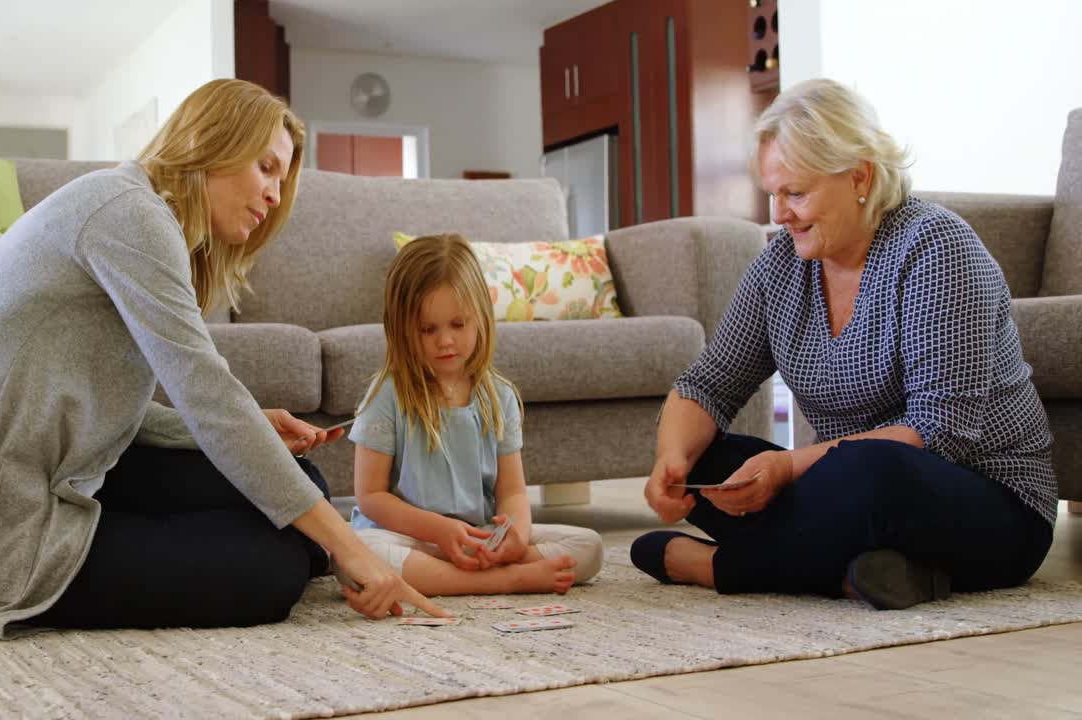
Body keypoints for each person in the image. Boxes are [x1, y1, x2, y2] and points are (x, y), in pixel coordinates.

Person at [0, 79, 444, 638]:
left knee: (303, 485)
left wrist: (248, 430)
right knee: (271, 567)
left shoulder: (133, 208)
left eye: (282, 177)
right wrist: (351, 548)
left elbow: (106, 403)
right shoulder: (131, 214)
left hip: (54, 469)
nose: (275, 196)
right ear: (214, 140)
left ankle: (176, 538)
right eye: (266, 168)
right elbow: (207, 393)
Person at [630, 78, 1056, 610]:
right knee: (707, 460)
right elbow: (709, 383)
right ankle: (870, 573)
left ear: (859, 175)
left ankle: (721, 567)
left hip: (991, 502)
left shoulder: (936, 249)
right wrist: (671, 460)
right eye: (772, 193)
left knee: (868, 467)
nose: (778, 214)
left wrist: (788, 468)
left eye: (795, 193)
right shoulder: (780, 264)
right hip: (848, 492)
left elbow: (940, 433)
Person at [347, 234, 604, 597]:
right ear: (400, 328)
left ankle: (463, 573)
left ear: (480, 318)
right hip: (409, 538)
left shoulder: (497, 395)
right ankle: (505, 580)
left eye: (458, 324)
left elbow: (512, 491)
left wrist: (513, 536)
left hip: (478, 534)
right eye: (427, 329)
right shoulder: (386, 394)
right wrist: (438, 531)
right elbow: (371, 496)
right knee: (357, 556)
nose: (445, 341)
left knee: (589, 546)